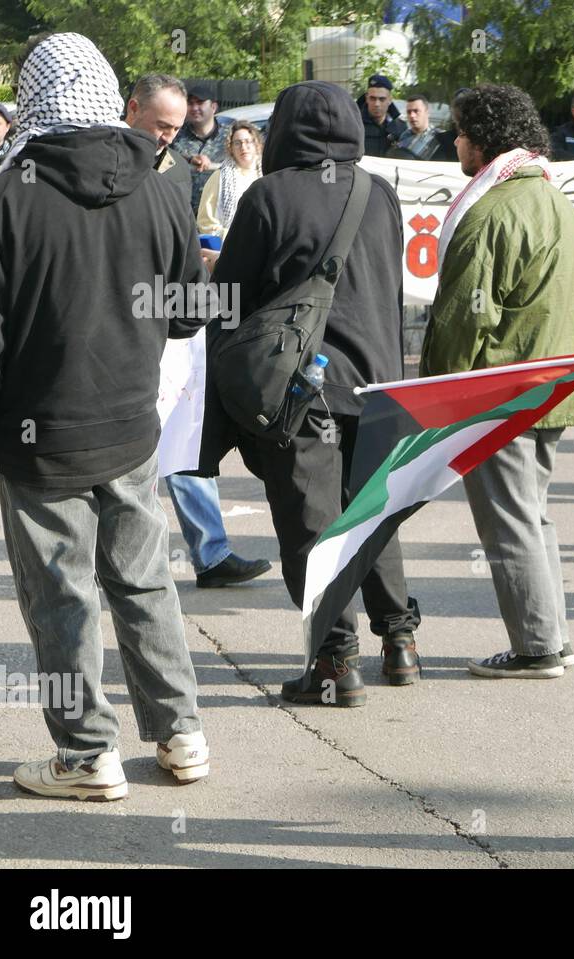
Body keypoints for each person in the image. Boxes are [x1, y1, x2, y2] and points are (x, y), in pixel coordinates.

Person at [0, 33, 211, 800]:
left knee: (61, 594)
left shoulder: (2, 196)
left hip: (38, 437)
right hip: (130, 427)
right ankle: (181, 734)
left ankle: (86, 754)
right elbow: (186, 314)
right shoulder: (160, 185)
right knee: (145, 582)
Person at [201, 81, 421, 704]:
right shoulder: (380, 193)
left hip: (302, 385)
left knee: (310, 521)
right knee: (372, 511)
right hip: (379, 383)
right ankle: (400, 643)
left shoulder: (269, 195)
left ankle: (333, 661)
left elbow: (231, 300)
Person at [420, 83, 574, 679]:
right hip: (549, 385)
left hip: (502, 391)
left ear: (486, 138)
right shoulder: (553, 197)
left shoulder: (492, 208)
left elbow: (466, 316)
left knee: (510, 524)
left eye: (463, 131)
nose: (456, 141)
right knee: (533, 516)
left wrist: (437, 398)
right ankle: (551, 638)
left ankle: (537, 647)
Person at [125, 76, 273, 589]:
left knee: (183, 436)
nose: (169, 135)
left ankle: (210, 555)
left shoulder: (165, 169)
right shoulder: (112, 164)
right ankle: (123, 560)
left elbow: (178, 244)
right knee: (138, 450)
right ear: (131, 108)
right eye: (161, 125)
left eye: (174, 126)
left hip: (169, 320)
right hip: (122, 327)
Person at [171, 81, 231, 214]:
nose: (194, 108)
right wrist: (190, 159)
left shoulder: (231, 137)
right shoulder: (175, 134)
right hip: (184, 213)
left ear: (213, 107)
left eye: (200, 103)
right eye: (191, 103)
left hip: (218, 215)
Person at [197, 120, 263, 237]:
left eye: (248, 141)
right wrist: (234, 237)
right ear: (230, 148)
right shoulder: (219, 177)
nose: (243, 147)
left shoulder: (267, 174)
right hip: (229, 246)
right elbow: (205, 223)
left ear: (257, 144)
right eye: (237, 143)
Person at [357, 73, 407, 158]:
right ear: (367, 98)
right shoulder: (354, 124)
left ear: (390, 100)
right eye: (372, 98)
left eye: (382, 99)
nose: (377, 104)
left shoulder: (400, 127)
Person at [392, 92, 453, 161]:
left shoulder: (441, 136)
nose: (412, 115)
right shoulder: (404, 136)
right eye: (409, 112)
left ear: (427, 112)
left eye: (416, 111)